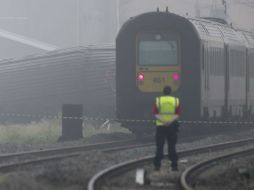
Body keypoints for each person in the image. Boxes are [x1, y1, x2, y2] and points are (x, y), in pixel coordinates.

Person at [153, 85, 180, 171]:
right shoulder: (175, 101)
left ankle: (157, 166)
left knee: (160, 146)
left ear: (163, 92)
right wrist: (169, 121)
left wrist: (164, 121)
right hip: (171, 126)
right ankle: (174, 166)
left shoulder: (158, 100)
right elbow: (177, 114)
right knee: (172, 147)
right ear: (170, 92)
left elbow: (156, 114)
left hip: (161, 126)